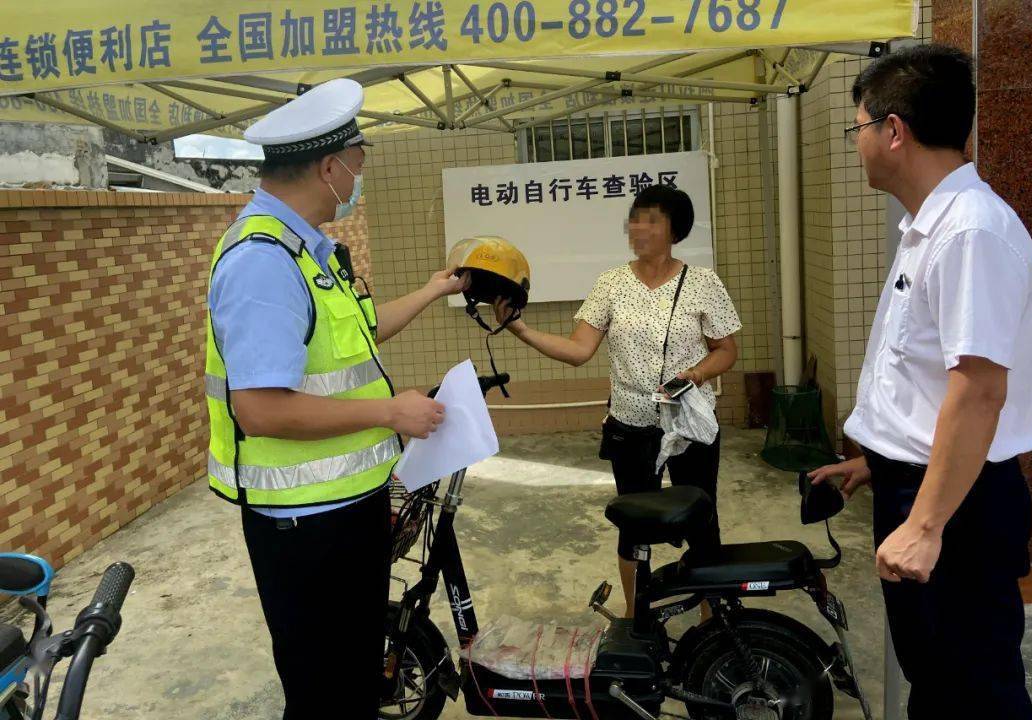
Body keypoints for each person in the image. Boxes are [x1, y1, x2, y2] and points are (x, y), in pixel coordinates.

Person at [204, 79, 467, 719]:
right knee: (326, 694)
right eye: (357, 165)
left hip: (341, 515)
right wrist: (389, 411)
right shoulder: (263, 262)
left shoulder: (307, 250)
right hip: (304, 527)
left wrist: (434, 290)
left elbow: (357, 334)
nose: (358, 179)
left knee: (353, 681)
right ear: (328, 168)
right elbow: (260, 408)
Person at [809, 45, 1032, 719]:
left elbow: (978, 391)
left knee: (974, 690)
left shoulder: (971, 231)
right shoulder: (930, 226)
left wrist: (926, 521)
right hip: (925, 485)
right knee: (940, 682)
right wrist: (877, 460)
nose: (856, 144)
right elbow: (929, 379)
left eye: (857, 127)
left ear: (893, 131)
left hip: (956, 509)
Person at [495, 184, 741, 619]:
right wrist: (520, 328)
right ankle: (636, 615)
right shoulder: (611, 283)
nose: (638, 227)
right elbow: (578, 350)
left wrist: (696, 374)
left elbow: (726, 349)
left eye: (651, 219)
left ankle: (710, 618)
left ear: (675, 231)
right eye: (635, 218)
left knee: (703, 520)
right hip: (630, 427)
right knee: (634, 525)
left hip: (689, 425)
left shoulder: (703, 282)